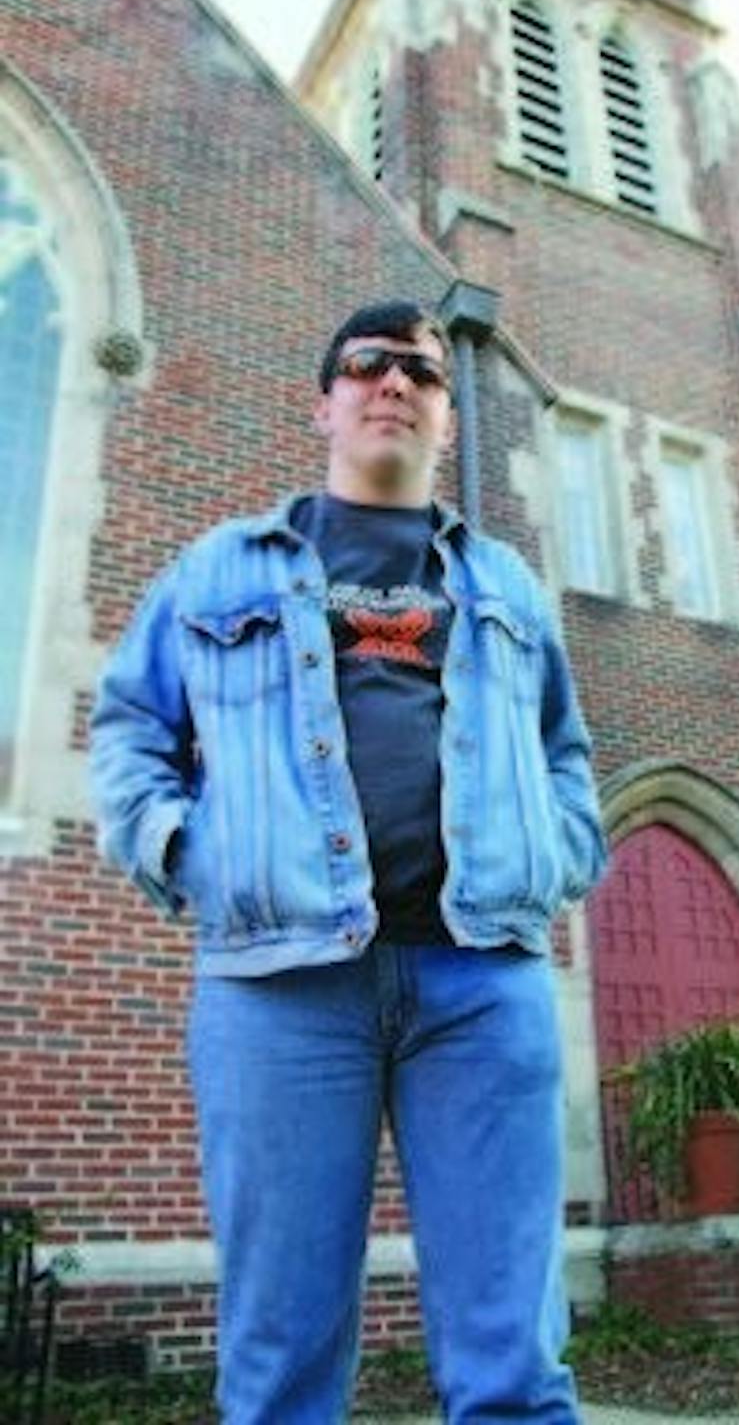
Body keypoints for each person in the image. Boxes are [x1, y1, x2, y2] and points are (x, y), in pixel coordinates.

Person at [89, 298, 608, 1424]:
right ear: (322, 403)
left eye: (420, 373)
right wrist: (186, 847)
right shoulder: (219, 567)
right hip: (280, 987)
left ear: (446, 419)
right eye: (365, 365)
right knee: (280, 1353)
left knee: (513, 1356)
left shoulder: (508, 587)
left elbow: (564, 751)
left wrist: (560, 855)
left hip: (483, 981)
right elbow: (129, 726)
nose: (394, 383)